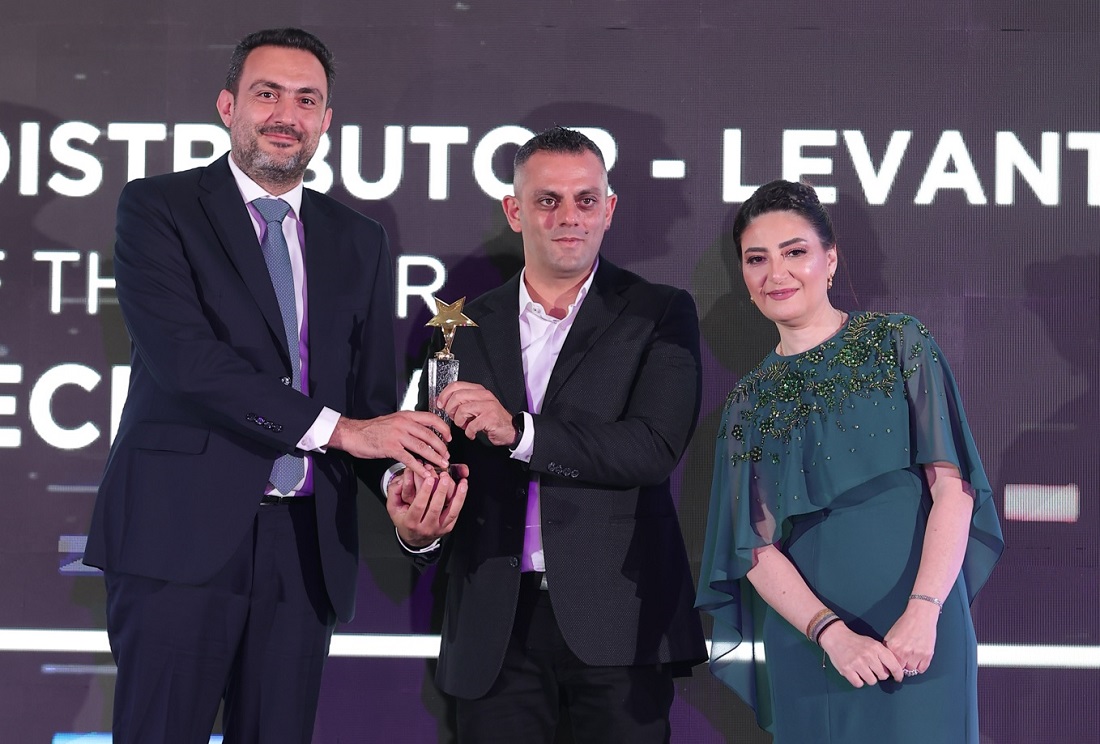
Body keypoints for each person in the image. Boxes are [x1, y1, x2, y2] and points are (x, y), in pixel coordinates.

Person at [83, 27, 464, 744]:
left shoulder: (359, 237)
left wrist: (396, 495)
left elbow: (370, 397)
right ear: (228, 106)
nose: (286, 114)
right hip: (178, 541)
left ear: (326, 122)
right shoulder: (158, 208)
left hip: (304, 546)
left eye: (306, 99)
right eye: (267, 94)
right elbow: (187, 362)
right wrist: (346, 431)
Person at [388, 126, 706, 742]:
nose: (569, 217)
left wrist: (522, 431)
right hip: (492, 627)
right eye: (547, 200)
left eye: (586, 200)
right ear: (514, 210)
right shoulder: (462, 326)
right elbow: (431, 456)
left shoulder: (660, 312)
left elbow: (653, 448)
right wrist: (416, 530)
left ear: (609, 210)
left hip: (619, 618)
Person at [695, 180, 1004, 742]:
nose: (776, 273)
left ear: (829, 259)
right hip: (814, 644)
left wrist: (924, 611)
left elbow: (953, 491)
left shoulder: (898, 342)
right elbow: (754, 550)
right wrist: (832, 635)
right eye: (756, 259)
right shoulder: (748, 402)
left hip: (920, 629)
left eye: (795, 252)